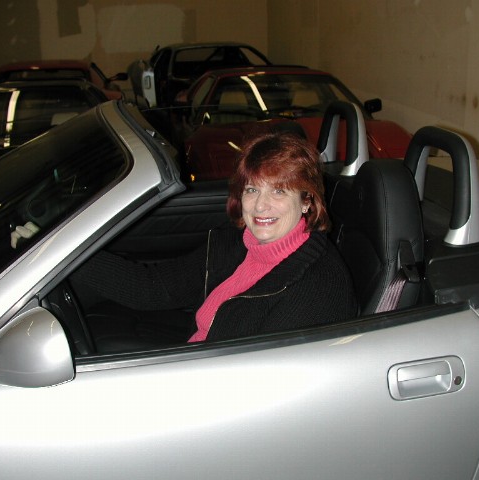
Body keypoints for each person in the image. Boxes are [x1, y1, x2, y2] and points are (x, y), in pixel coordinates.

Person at [73, 133, 357, 345]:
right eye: (252, 190)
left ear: (307, 201)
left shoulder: (318, 287)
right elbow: (154, 288)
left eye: (279, 191)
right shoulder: (240, 244)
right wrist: (68, 254)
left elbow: (262, 380)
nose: (260, 206)